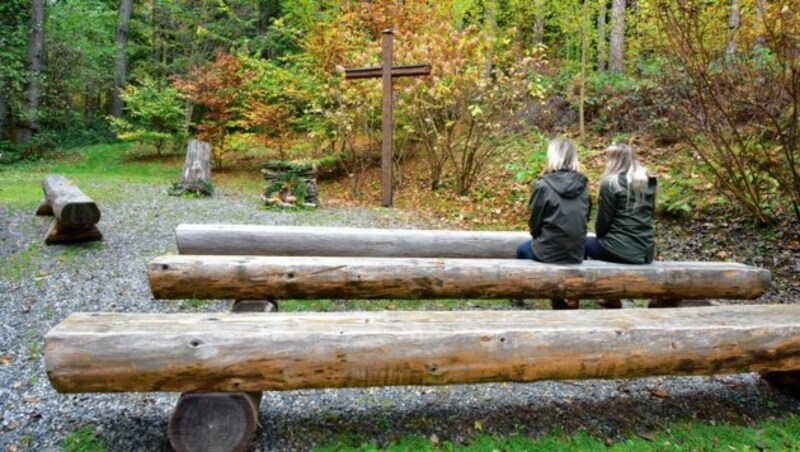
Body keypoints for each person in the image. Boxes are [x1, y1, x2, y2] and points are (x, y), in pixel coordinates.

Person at [516, 138, 591, 310]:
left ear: (552, 156)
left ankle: (519, 296)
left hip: (549, 250)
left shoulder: (543, 185)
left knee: (522, 250)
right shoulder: (583, 185)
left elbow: (535, 224)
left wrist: (539, 236)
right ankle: (569, 300)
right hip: (577, 251)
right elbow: (585, 219)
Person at [585, 143, 657, 308]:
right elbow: (649, 214)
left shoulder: (611, 183)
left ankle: (589, 295)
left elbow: (603, 223)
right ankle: (611, 297)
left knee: (581, 244)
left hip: (621, 249)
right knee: (603, 246)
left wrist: (602, 238)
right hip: (646, 250)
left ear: (615, 162)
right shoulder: (648, 181)